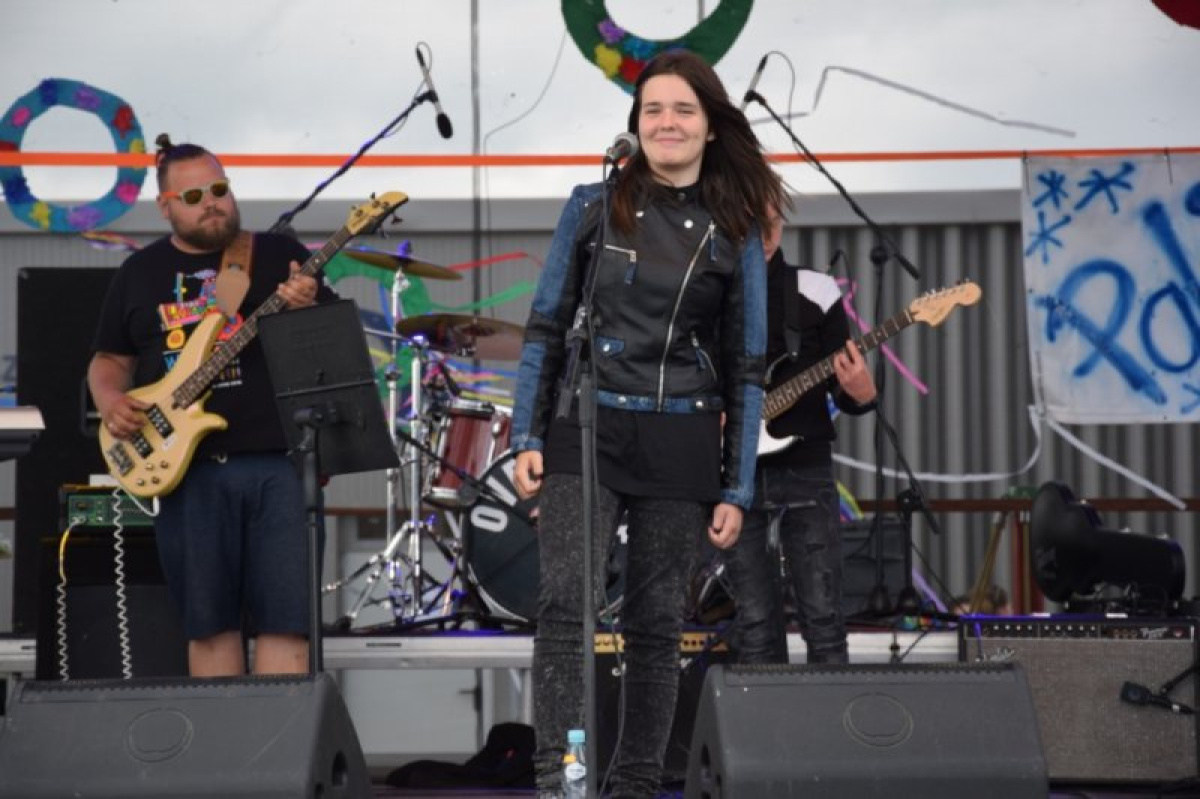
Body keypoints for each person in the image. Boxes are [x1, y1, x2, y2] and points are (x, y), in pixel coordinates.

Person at [509, 51, 783, 798]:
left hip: (681, 435)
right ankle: (564, 780)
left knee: (656, 623)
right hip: (587, 426)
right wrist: (526, 435)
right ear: (635, 124)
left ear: (710, 126)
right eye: (652, 109)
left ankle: (633, 786)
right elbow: (545, 325)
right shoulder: (590, 205)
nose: (666, 122)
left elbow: (747, 364)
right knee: (566, 606)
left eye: (683, 109)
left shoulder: (735, 228)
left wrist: (737, 486)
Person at [88, 135, 334, 677]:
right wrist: (110, 400)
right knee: (208, 625)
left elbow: (330, 346)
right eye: (194, 196)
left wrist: (308, 305)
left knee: (286, 623)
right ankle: (223, 734)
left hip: (280, 463)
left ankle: (280, 735)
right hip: (186, 470)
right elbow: (109, 360)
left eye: (219, 189)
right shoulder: (139, 272)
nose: (212, 203)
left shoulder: (279, 256)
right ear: (166, 206)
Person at [723, 209, 878, 666]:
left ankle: (834, 715)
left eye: (772, 220)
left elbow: (843, 387)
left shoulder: (816, 290)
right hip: (734, 475)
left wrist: (862, 394)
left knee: (824, 621)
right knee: (754, 628)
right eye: (752, 221)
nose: (764, 232)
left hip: (805, 467)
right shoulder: (712, 293)